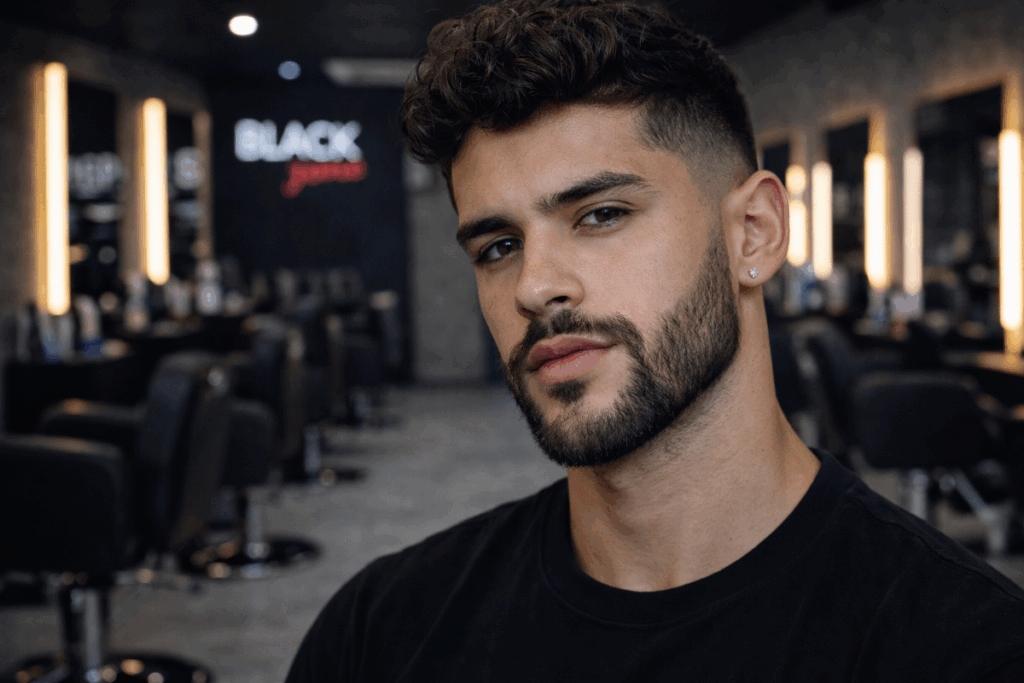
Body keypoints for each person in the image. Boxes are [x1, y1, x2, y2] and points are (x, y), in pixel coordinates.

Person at [285, 1, 1024, 679]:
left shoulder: (969, 650)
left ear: (754, 233)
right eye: (499, 246)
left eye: (601, 215)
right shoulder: (379, 634)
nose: (534, 286)